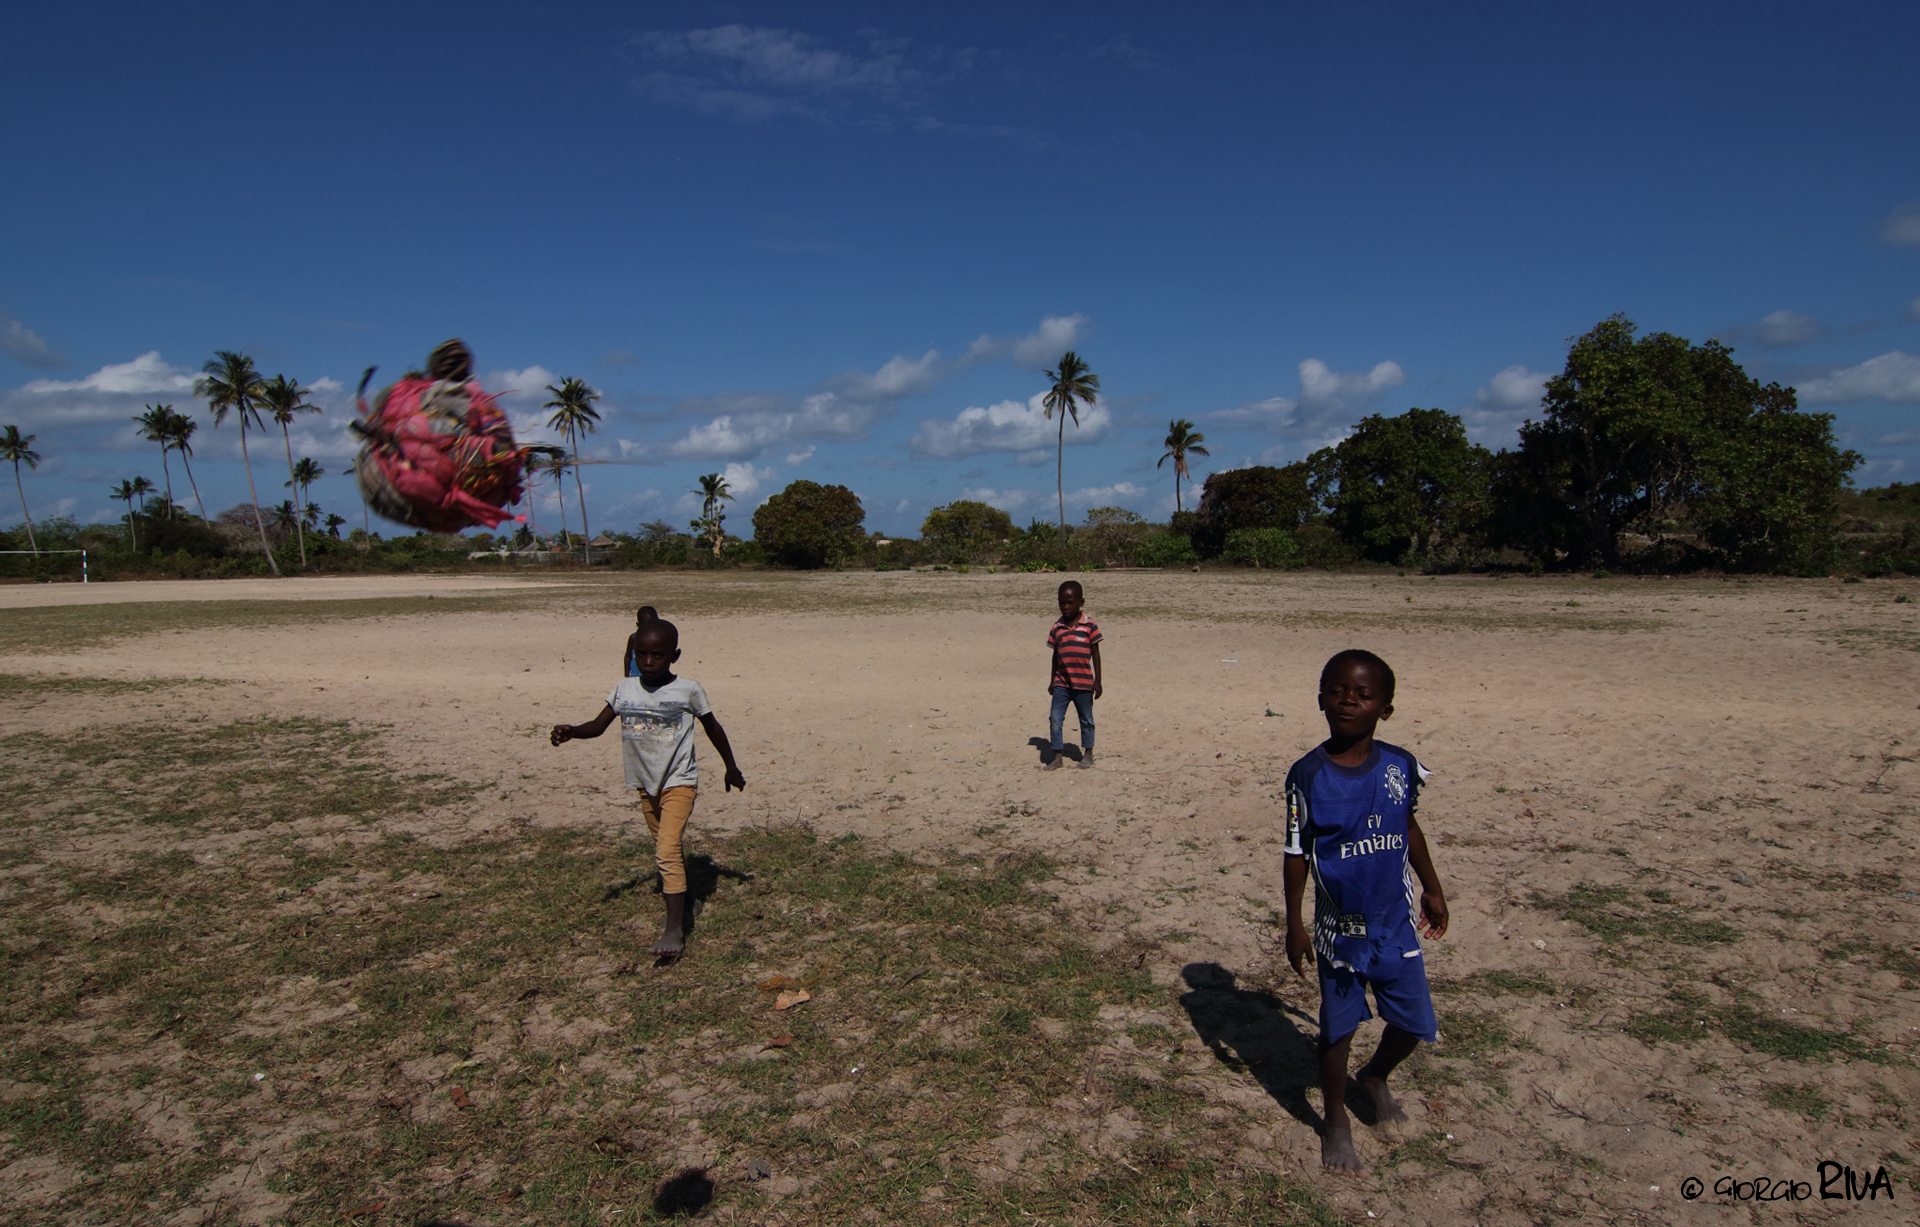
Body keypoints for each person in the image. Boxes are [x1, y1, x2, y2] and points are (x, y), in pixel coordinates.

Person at [1283, 649, 1449, 1173]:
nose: (1349, 700)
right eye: (1337, 691)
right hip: (1339, 931)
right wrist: (1295, 922)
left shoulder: (1400, 766)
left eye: (1364, 694)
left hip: (1394, 922)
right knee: (1338, 1030)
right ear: (1320, 700)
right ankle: (1335, 1120)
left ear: (1386, 708)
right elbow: (1295, 852)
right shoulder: (1307, 776)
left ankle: (1375, 1075)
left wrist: (1433, 887)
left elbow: (1409, 827)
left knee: (1413, 1023)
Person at [551, 614, 746, 956]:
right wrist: (572, 731)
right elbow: (598, 726)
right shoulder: (625, 689)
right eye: (641, 654)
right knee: (665, 846)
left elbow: (713, 728)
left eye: (657, 655)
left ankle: (674, 931)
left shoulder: (688, 689)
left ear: (675, 655)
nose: (648, 662)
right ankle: (682, 893)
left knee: (666, 850)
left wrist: (731, 767)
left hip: (679, 781)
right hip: (645, 783)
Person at [1044, 580, 1103, 770]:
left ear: (1081, 602)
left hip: (1084, 684)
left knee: (1086, 719)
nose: (1066, 606)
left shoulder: (1090, 626)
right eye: (1062, 603)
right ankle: (1057, 756)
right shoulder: (1057, 628)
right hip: (1062, 683)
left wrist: (1098, 681)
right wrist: (1052, 680)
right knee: (1055, 718)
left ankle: (1088, 753)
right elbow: (1055, 655)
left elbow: (1095, 653)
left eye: (1070, 602)